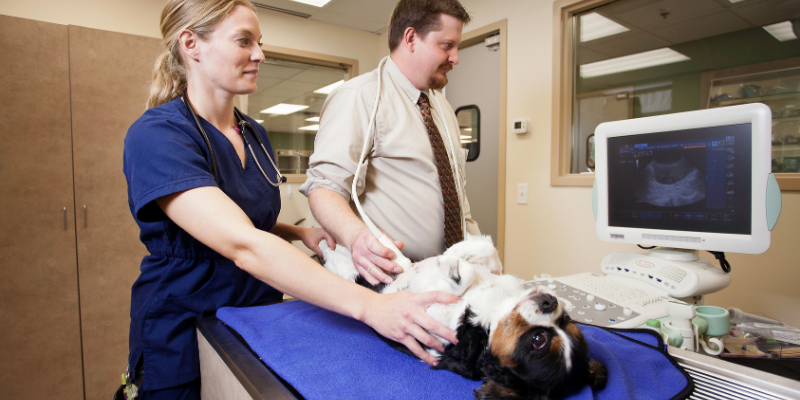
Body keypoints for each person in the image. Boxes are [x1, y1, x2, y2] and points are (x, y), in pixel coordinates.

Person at [123, 0, 460, 398]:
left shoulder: (253, 133)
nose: (259, 54)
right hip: (186, 324)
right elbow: (242, 243)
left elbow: (245, 219)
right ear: (191, 44)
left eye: (259, 42)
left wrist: (299, 233)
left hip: (256, 315)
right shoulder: (158, 136)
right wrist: (370, 307)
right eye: (244, 41)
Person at [300, 0, 480, 287]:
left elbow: (458, 196)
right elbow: (324, 189)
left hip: (447, 275)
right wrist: (357, 239)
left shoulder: (443, 110)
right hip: (388, 278)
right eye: (447, 45)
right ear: (411, 38)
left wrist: (480, 257)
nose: (456, 57)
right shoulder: (359, 97)